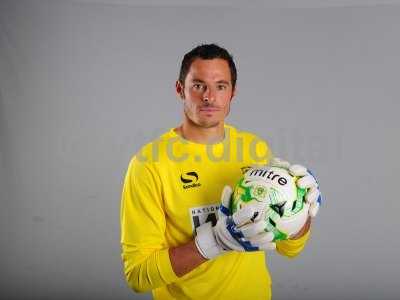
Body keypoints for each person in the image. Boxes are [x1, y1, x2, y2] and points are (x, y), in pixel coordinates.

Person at [120, 43, 321, 299]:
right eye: (198, 85)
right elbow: (138, 275)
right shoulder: (148, 164)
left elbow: (289, 248)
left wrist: (301, 207)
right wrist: (212, 244)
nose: (209, 96)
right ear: (180, 89)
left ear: (232, 93)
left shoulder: (254, 148)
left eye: (220, 86)